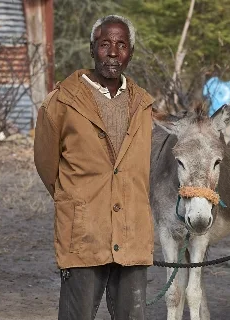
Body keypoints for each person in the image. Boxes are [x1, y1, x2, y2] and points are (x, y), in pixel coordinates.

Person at [33, 15, 154, 320]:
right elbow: (47, 166)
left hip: (132, 234)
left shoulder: (144, 105)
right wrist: (77, 202)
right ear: (92, 49)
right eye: (105, 44)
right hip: (84, 234)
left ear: (130, 53)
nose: (113, 52)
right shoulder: (62, 102)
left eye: (121, 45)